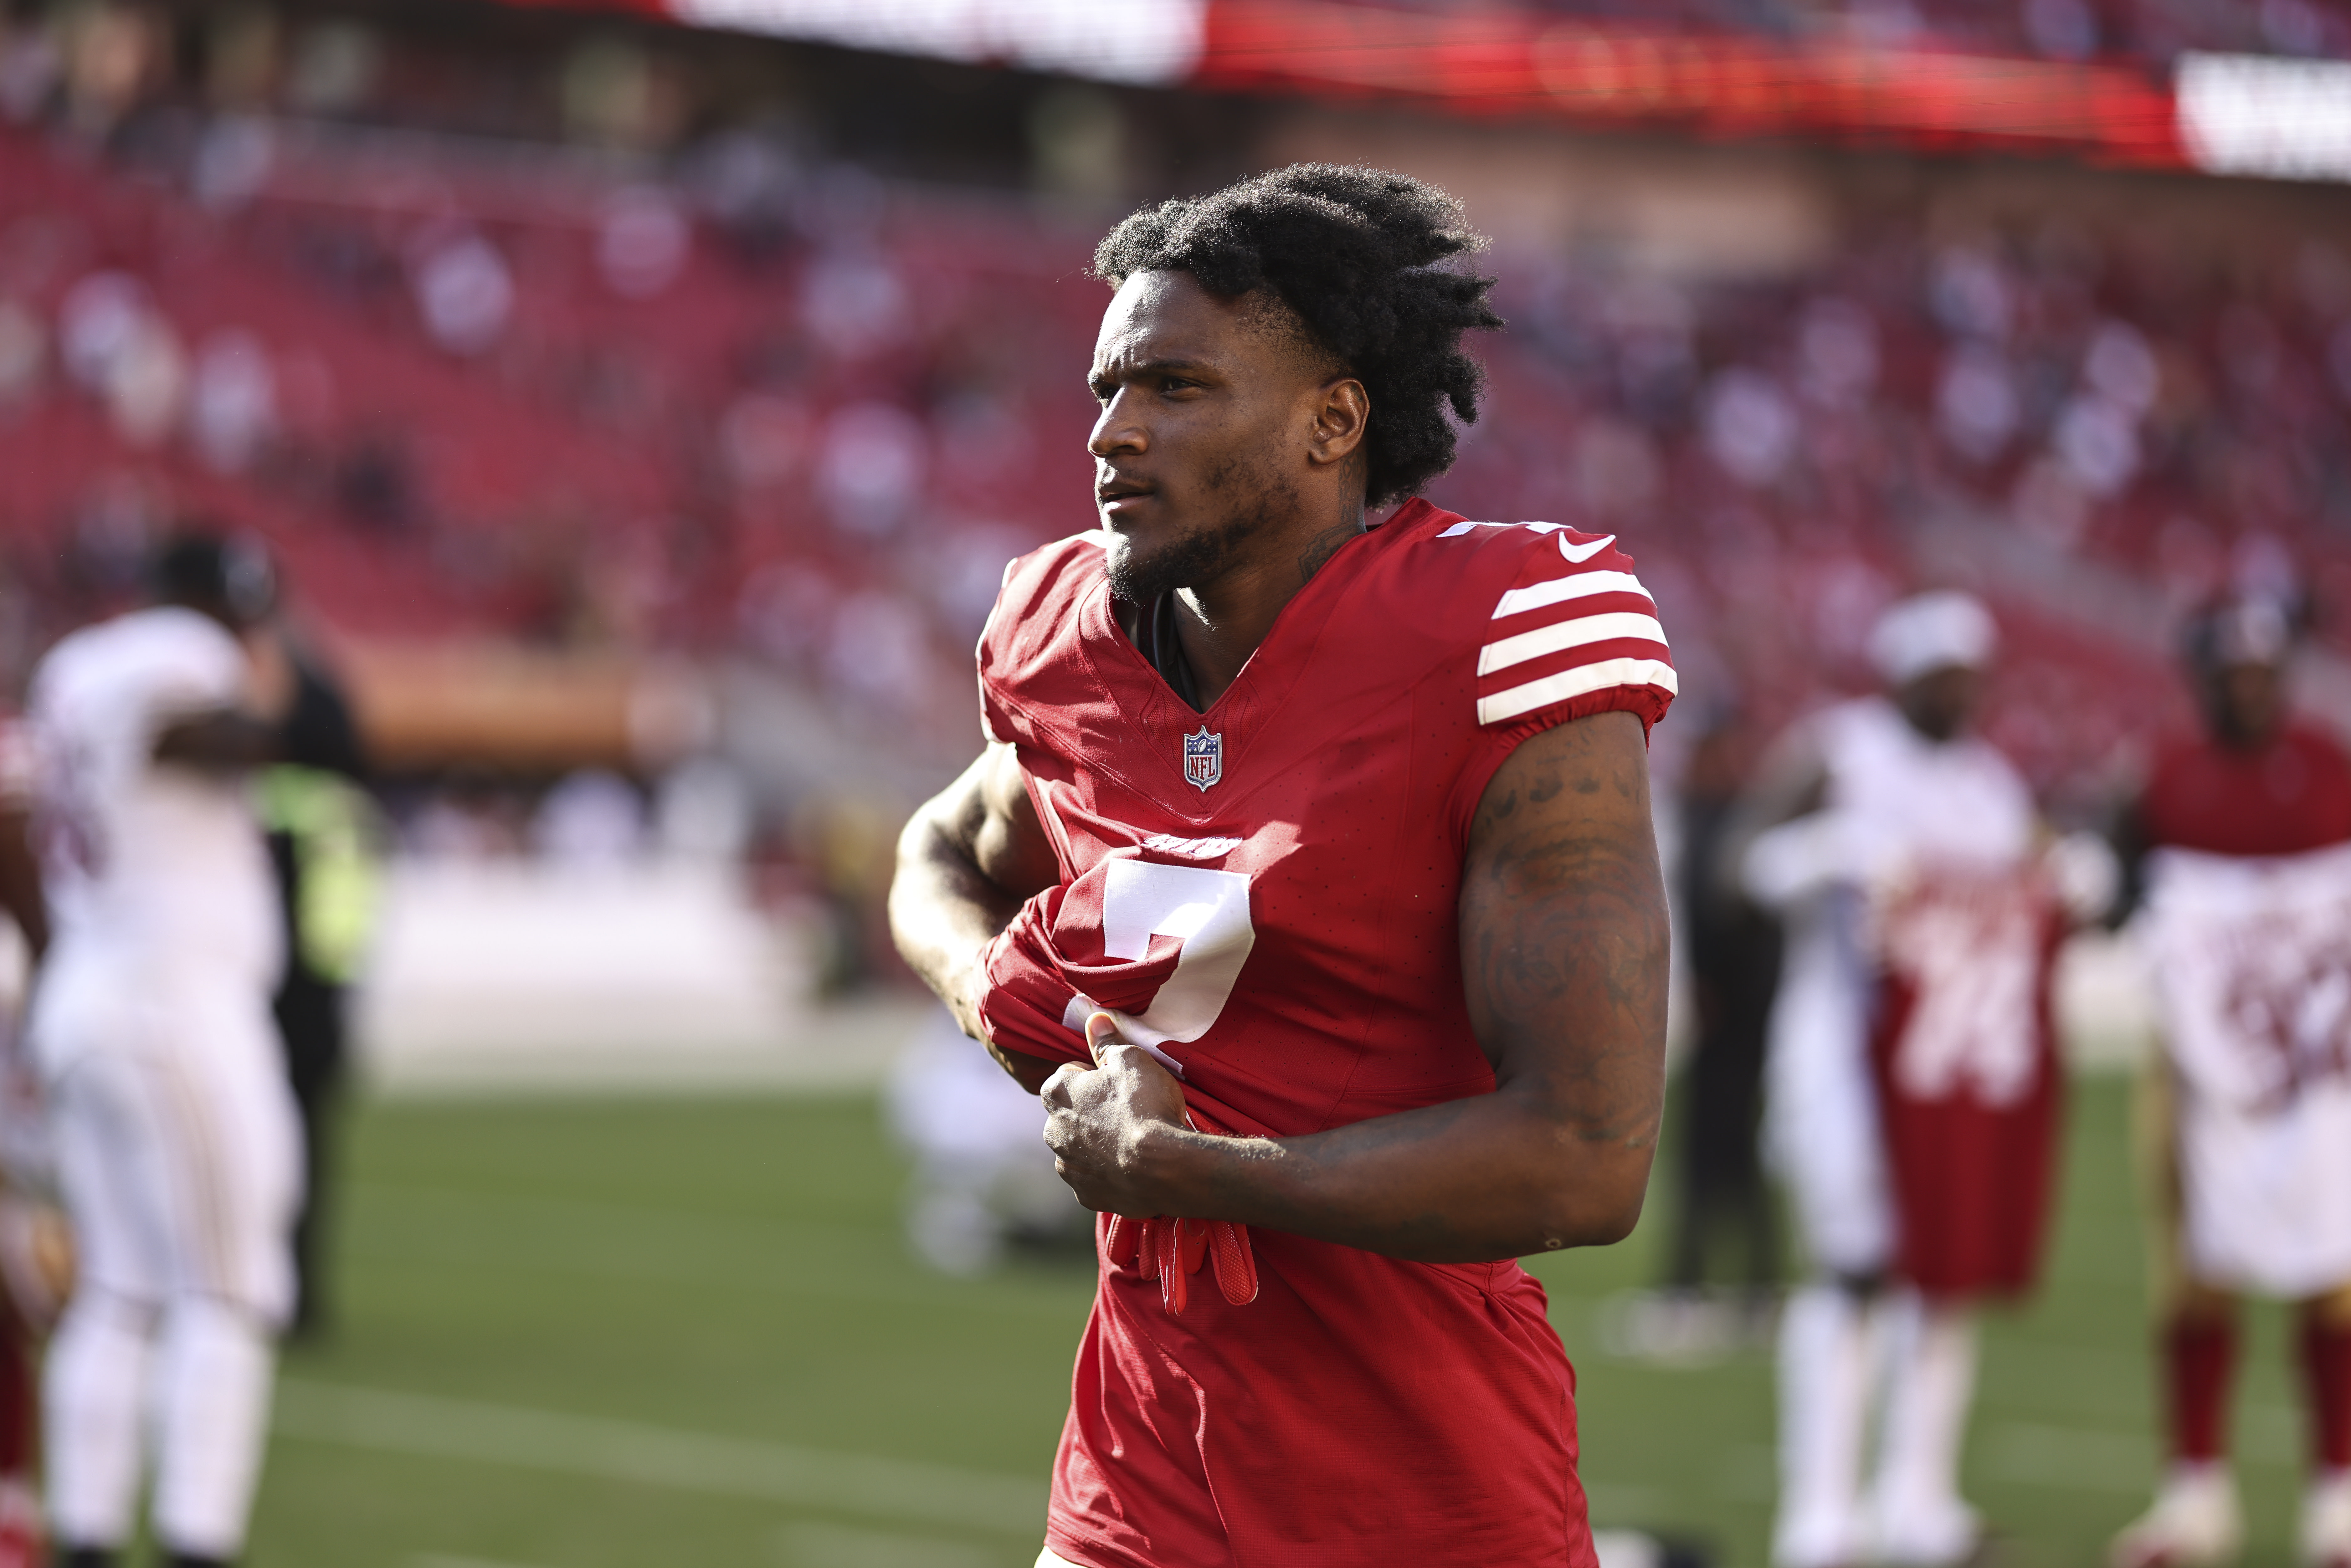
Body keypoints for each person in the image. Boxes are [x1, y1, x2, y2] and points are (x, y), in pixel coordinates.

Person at [888, 164, 1677, 1567]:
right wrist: (1012, 1003)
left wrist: (1205, 1169)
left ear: (1333, 418)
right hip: (1134, 1480)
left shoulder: (1498, 631)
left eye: (1177, 388)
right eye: (1106, 390)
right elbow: (943, 846)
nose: (1114, 436)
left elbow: (1586, 1155)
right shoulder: (1069, 632)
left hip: (1425, 1486)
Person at [1732, 591, 2109, 1568]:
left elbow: (2041, 872)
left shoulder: (1990, 783)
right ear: (1901, 675)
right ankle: (1818, 1512)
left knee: (1946, 1272)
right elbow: (1740, 868)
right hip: (1840, 1053)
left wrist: (2075, 872)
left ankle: (1919, 1499)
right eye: (1942, 678)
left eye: (1969, 679)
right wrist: (1828, 853)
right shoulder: (1838, 750)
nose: (1959, 696)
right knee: (1853, 1266)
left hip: (1951, 1071)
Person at [24, 530, 300, 1568]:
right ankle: (198, 1544)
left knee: (122, 1289)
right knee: (226, 1293)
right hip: (172, 1002)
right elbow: (204, 734)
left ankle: (87, 1540)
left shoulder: (73, 663)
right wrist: (268, 700)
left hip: (90, 987)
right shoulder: (185, 651)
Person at [2111, 596, 2351, 1568]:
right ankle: (2196, 1493)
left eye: (2264, 670)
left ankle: (2337, 1493)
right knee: (2191, 1268)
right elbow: (2121, 888)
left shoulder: (2331, 765)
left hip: (2321, 1059)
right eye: (2234, 671)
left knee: (2335, 1269)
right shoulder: (2164, 775)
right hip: (2195, 1059)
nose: (2250, 687)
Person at [257, 649, 373, 1339]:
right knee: (304, 1154)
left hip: (255, 996)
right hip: (319, 998)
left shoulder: (252, 800)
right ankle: (299, 1293)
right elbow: (351, 919)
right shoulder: (342, 812)